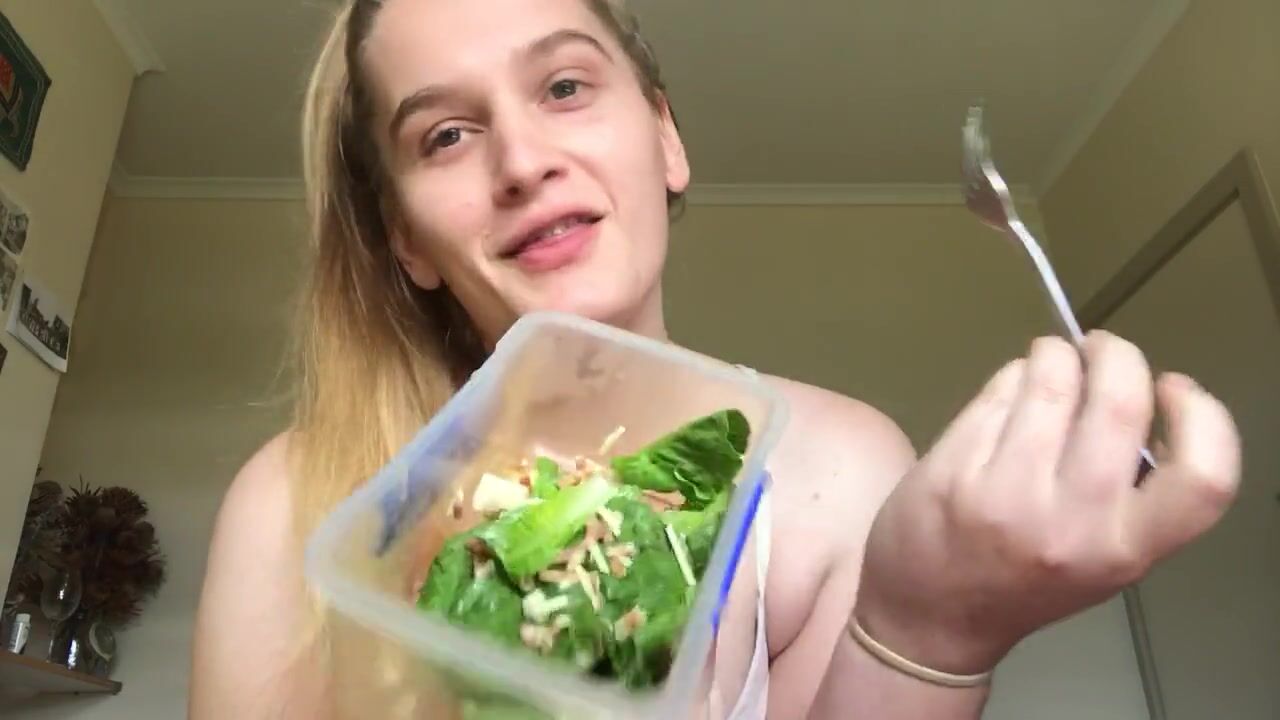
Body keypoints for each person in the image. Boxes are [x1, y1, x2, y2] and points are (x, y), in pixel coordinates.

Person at [189, 0, 1242, 717]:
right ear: (406, 241)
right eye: (446, 136)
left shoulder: (837, 468)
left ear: (665, 140)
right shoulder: (297, 502)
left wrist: (927, 633)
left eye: (564, 87)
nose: (522, 161)